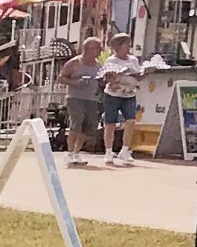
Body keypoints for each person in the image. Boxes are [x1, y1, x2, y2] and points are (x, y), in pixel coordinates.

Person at [98, 37, 146, 166]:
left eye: (129, 44)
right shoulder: (111, 60)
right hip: (113, 94)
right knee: (110, 123)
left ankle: (125, 150)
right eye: (126, 44)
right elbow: (105, 77)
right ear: (118, 46)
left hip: (129, 93)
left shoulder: (133, 60)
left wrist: (145, 73)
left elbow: (138, 76)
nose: (128, 47)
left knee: (130, 120)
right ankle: (108, 151)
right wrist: (113, 78)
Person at [62, 37, 105, 162]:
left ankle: (76, 153)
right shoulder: (75, 62)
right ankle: (69, 153)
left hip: (92, 99)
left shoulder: (98, 65)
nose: (100, 51)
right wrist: (75, 83)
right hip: (75, 97)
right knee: (76, 123)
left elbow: (101, 82)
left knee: (87, 127)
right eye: (98, 48)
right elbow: (61, 77)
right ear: (88, 49)